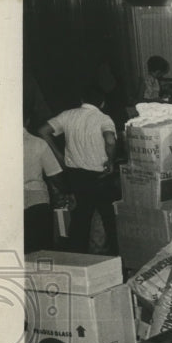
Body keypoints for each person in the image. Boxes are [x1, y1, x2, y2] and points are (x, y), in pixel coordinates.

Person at [37, 86, 117, 254]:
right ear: (102, 103)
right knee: (108, 218)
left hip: (76, 176)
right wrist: (110, 161)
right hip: (100, 176)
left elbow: (43, 131)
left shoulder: (68, 115)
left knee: (80, 218)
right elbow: (110, 140)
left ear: (82, 100)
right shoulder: (103, 118)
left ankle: (76, 259)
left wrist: (60, 155)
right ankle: (114, 256)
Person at [24, 109, 66, 253]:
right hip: (37, 201)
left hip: (8, 202)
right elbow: (54, 174)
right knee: (42, 249)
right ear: (28, 120)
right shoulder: (38, 143)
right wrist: (65, 192)